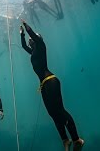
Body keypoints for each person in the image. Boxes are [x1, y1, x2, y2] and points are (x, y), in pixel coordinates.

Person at [19, 20, 84, 151]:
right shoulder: (32, 52)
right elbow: (23, 46)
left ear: (37, 39)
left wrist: (26, 26)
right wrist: (21, 34)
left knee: (60, 110)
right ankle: (65, 140)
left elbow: (33, 35)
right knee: (52, 113)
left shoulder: (41, 46)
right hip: (43, 84)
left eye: (33, 39)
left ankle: (77, 139)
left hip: (51, 80)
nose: (30, 41)